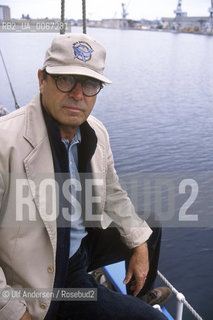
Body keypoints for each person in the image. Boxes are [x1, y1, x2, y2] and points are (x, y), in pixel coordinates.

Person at [0, 33, 170, 320]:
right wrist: (15, 312)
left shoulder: (96, 132)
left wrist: (139, 245)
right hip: (46, 274)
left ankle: (138, 296)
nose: (78, 95)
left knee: (148, 227)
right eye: (65, 80)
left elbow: (113, 192)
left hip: (79, 246)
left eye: (90, 84)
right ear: (42, 79)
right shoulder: (6, 143)